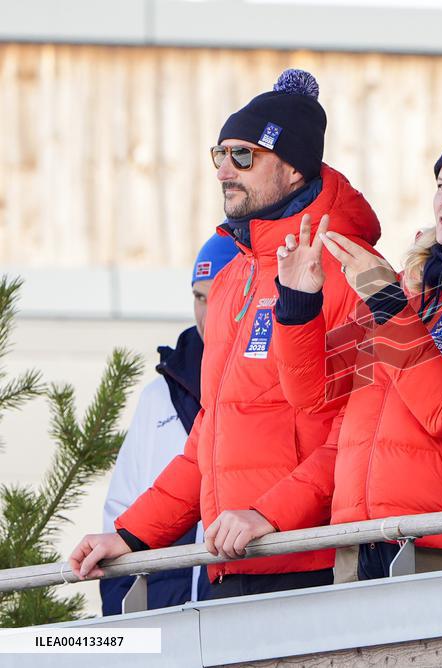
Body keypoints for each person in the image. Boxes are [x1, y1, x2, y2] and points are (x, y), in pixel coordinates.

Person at [70, 69, 381, 599]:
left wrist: (269, 514)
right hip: (229, 566)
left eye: (245, 157)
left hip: (312, 566)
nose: (224, 171)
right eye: (221, 154)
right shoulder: (233, 276)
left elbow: (359, 435)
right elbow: (210, 439)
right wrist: (133, 534)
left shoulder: (355, 270)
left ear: (292, 170)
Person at [272, 124, 442, 581]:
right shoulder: (406, 294)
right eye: (441, 185)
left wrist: (386, 300)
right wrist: (299, 302)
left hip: (438, 550)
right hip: (356, 545)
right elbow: (311, 392)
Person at [100, 234, 238, 614]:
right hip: (161, 618)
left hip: (238, 614)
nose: (207, 314)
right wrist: (124, 619)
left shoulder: (271, 387)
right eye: (199, 297)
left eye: (220, 295)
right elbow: (120, 512)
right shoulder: (158, 396)